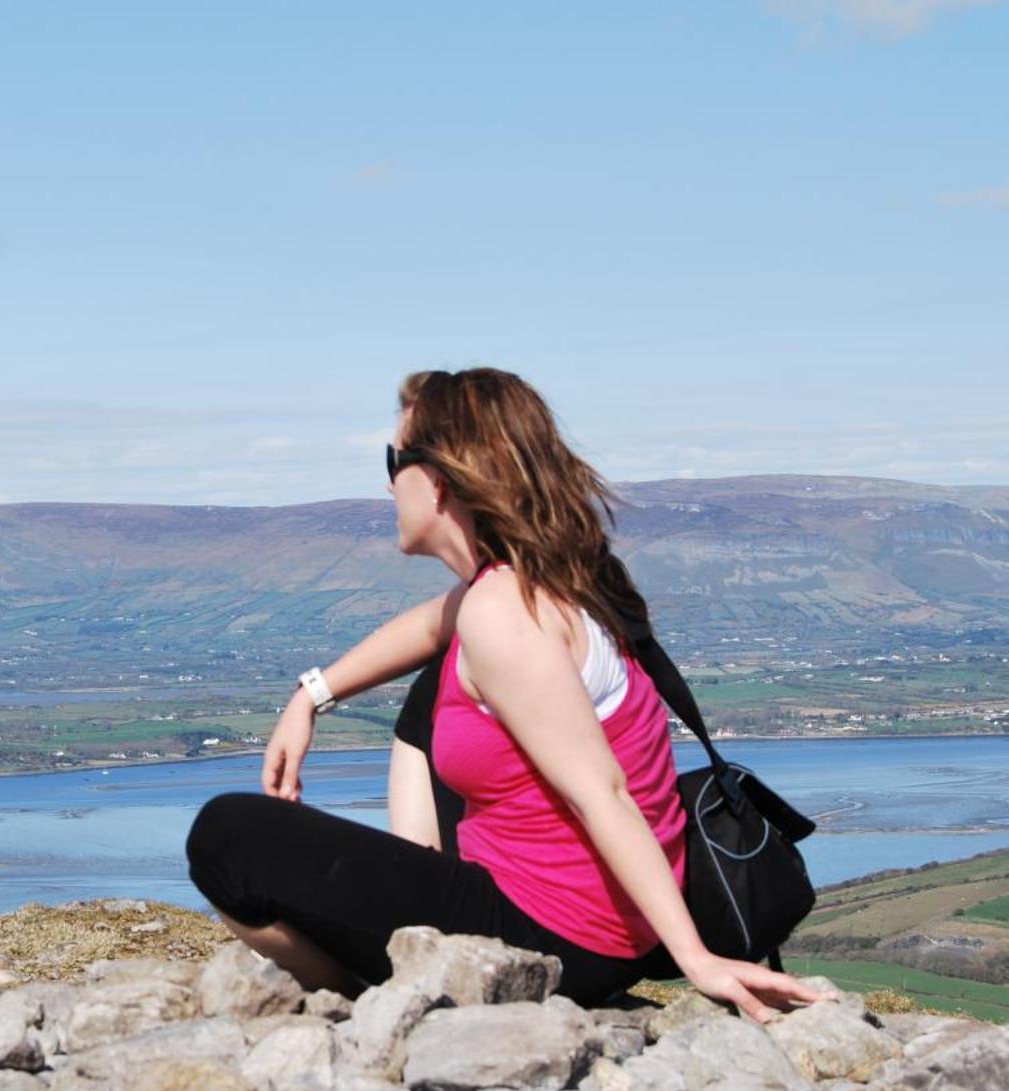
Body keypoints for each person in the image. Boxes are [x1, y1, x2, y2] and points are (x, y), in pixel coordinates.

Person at [185, 368, 830, 1021]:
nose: (386, 482)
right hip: (595, 924)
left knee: (226, 838)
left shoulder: (502, 614)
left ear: (438, 479)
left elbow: (601, 791)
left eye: (393, 460)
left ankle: (373, 998)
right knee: (438, 683)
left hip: (553, 936)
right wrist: (311, 697)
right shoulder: (551, 575)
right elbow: (426, 628)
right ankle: (416, 916)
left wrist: (697, 961)